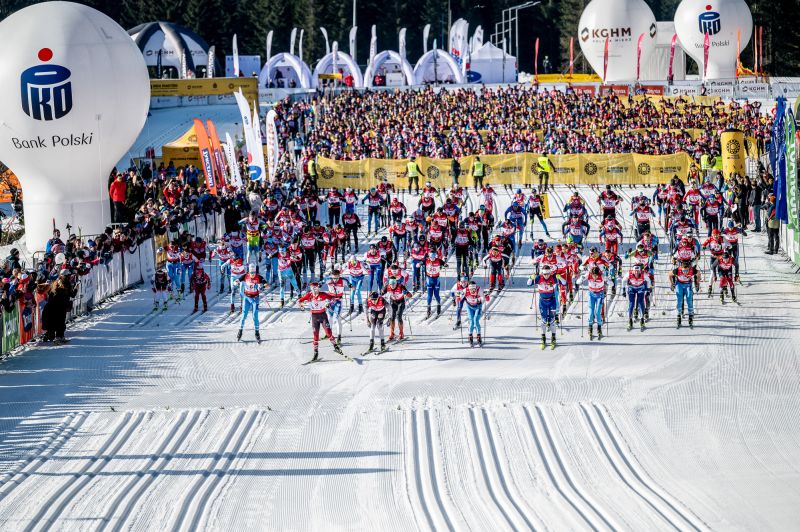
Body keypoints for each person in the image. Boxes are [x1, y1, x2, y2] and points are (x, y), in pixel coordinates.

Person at [298, 281, 346, 361]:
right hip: (314, 317)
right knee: (315, 335)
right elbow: (299, 301)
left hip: (323, 316)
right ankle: (315, 353)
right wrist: (301, 306)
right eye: (313, 289)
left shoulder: (323, 294)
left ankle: (336, 347)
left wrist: (329, 303)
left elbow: (333, 299)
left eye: (316, 288)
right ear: (311, 289)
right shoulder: (309, 295)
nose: (314, 290)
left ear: (318, 288)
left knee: (328, 333)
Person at [527, 264, 562, 349]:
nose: (546, 276)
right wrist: (531, 278)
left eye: (548, 274)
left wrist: (560, 278)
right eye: (545, 274)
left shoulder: (553, 278)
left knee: (552, 321)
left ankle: (553, 338)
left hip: (552, 301)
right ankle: (543, 338)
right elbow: (528, 284)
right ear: (542, 273)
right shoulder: (539, 278)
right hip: (542, 302)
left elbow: (564, 283)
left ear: (550, 273)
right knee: (543, 321)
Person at [236, 263, 263, 342]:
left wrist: (262, 286)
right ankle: (240, 331)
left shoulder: (259, 277)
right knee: (244, 315)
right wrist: (236, 282)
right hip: (247, 298)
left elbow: (267, 284)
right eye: (251, 272)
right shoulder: (245, 276)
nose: (252, 274)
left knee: (255, 316)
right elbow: (237, 280)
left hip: (255, 299)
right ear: (249, 272)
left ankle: (257, 333)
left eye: (254, 272)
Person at [669, 259, 699, 327]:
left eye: (687, 270)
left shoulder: (692, 270)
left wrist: (697, 282)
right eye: (684, 271)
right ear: (681, 268)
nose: (685, 272)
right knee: (679, 300)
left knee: (689, 299)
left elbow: (698, 274)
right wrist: (672, 283)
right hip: (679, 284)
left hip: (688, 284)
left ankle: (690, 316)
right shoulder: (677, 270)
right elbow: (669, 274)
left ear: (689, 268)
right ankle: (678, 315)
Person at [625, 264, 651, 331]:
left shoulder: (643, 274)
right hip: (632, 288)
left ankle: (642, 320)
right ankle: (630, 321)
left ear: (640, 271)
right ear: (633, 271)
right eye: (635, 271)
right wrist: (623, 290)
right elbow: (623, 280)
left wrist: (648, 289)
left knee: (641, 302)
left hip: (640, 288)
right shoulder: (629, 273)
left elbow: (649, 280)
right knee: (631, 304)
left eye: (638, 271)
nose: (636, 272)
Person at [463, 280, 489, 347]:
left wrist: (486, 296)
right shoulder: (465, 290)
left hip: (478, 307)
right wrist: (457, 297)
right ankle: (470, 336)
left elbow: (485, 299)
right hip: (469, 307)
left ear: (476, 287)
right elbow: (459, 299)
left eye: (474, 289)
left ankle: (479, 336)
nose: (473, 290)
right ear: (469, 288)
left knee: (476, 320)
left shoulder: (479, 289)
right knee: (471, 321)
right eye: (471, 289)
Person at [585, 265, 606, 340]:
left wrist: (608, 280)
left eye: (596, 276)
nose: (594, 277)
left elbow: (611, 283)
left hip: (600, 295)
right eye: (593, 275)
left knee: (597, 313)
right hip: (591, 295)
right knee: (591, 312)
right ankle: (590, 327)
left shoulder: (602, 276)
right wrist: (581, 279)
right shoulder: (588, 275)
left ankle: (599, 328)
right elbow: (578, 281)